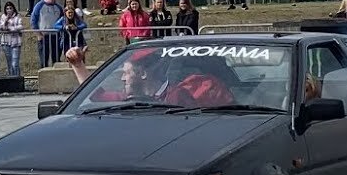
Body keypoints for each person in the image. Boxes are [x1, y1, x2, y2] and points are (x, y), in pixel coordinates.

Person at [64, 46, 235, 107]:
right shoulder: (129, 99)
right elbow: (96, 95)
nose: (123, 79)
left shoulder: (178, 96)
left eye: (126, 73)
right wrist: (78, 65)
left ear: (144, 74)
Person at [29, 0, 64, 68]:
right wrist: (38, 34)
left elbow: (62, 20)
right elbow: (33, 21)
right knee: (44, 59)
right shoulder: (39, 6)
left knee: (56, 59)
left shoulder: (58, 7)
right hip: (44, 37)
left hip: (56, 36)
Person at [0, 2, 23, 76]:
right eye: (7, 8)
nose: (9, 10)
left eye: (10, 8)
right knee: (9, 63)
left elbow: (20, 26)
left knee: (15, 63)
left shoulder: (17, 16)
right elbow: (2, 27)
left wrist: (11, 28)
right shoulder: (3, 16)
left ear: (13, 8)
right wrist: (6, 20)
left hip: (16, 42)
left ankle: (17, 79)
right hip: (6, 42)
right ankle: (11, 78)